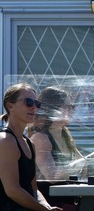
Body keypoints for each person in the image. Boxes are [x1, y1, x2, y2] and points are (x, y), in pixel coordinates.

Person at [0, 83, 62, 211]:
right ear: (10, 105)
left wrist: (48, 207)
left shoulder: (29, 143)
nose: (34, 107)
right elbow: (12, 190)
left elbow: (34, 188)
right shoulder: (5, 141)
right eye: (28, 102)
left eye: (37, 103)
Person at [28, 86, 84, 180]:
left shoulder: (65, 134)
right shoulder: (40, 138)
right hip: (48, 193)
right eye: (68, 107)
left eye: (72, 107)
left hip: (67, 191)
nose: (71, 111)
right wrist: (85, 162)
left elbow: (82, 163)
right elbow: (52, 177)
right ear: (52, 109)